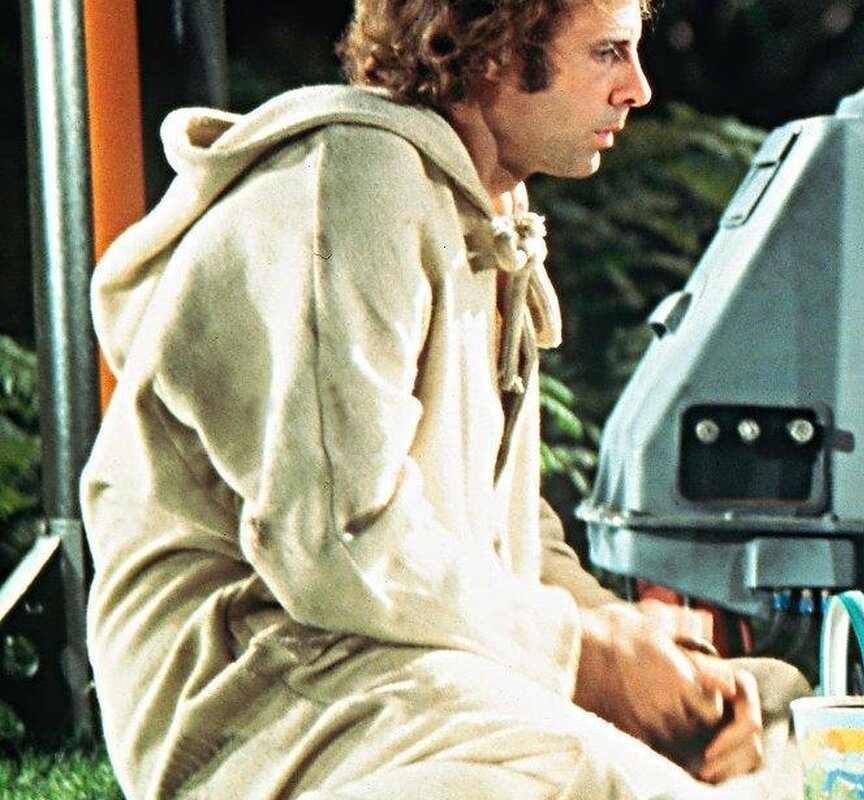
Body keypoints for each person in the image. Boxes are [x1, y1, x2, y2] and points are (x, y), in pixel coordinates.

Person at [80, 0, 806, 796]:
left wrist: (635, 646)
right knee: (588, 774)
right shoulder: (353, 179)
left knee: (774, 703)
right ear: (490, 49)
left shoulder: (481, 205)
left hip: (398, 654)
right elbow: (336, 545)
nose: (637, 88)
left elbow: (502, 533)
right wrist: (585, 657)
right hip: (266, 682)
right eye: (606, 53)